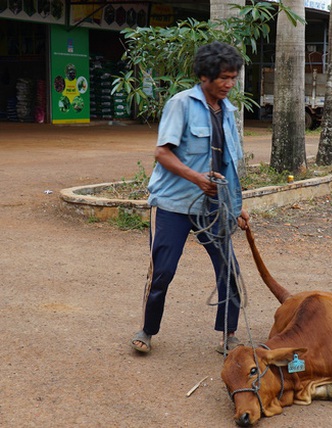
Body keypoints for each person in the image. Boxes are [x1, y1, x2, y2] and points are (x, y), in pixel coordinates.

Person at [130, 41, 249, 355]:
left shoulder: (229, 112)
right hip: (175, 204)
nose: (229, 84)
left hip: (215, 205)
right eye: (223, 77)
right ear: (205, 77)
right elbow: (162, 153)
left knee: (229, 269)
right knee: (163, 270)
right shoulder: (181, 104)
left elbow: (230, 164)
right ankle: (147, 330)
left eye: (233, 78)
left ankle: (229, 336)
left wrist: (238, 207)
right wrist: (197, 179)